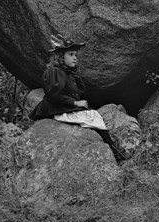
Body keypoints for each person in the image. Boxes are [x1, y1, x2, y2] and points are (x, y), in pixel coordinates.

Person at [29, 34, 127, 162]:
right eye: (71, 54)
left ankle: (114, 150)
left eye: (75, 55)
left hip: (62, 107)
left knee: (93, 114)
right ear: (60, 56)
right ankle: (116, 153)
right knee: (93, 115)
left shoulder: (65, 72)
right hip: (55, 109)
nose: (75, 58)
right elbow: (53, 96)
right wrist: (75, 102)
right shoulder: (54, 72)